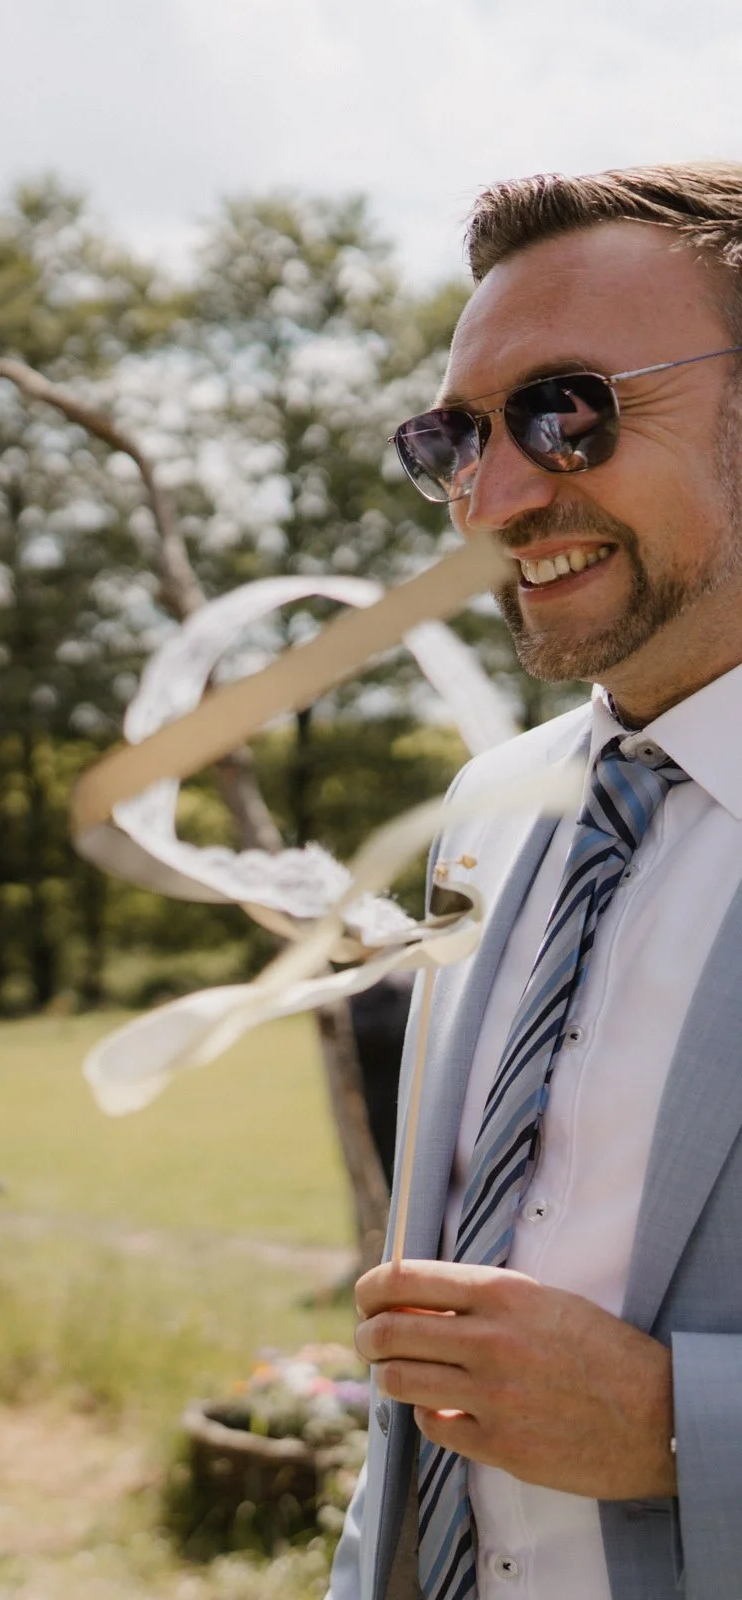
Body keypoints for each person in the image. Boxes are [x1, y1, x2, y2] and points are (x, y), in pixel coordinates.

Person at [335, 162, 742, 1600]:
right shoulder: (490, 811)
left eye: (569, 411)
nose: (493, 497)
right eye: (452, 436)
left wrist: (685, 1434)